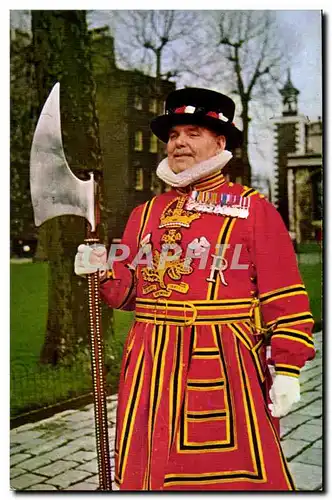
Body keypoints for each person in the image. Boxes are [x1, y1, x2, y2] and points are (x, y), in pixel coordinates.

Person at [74, 88, 315, 491]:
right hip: (149, 360)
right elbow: (128, 293)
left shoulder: (253, 209)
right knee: (150, 474)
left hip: (220, 360)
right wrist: (101, 269)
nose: (179, 143)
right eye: (173, 136)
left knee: (224, 479)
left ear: (220, 142)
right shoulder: (145, 213)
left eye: (192, 133)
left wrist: (288, 368)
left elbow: (284, 296)